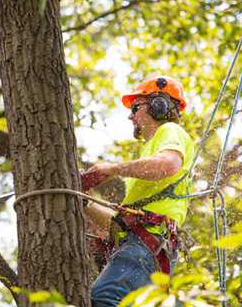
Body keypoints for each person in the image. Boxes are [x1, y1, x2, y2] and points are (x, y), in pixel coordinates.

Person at [84, 76, 195, 307]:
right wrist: (84, 202)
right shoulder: (149, 150)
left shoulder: (169, 131)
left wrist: (111, 170)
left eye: (136, 107)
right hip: (142, 247)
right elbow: (119, 224)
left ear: (159, 106)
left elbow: (167, 165)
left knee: (104, 298)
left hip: (145, 246)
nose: (130, 115)